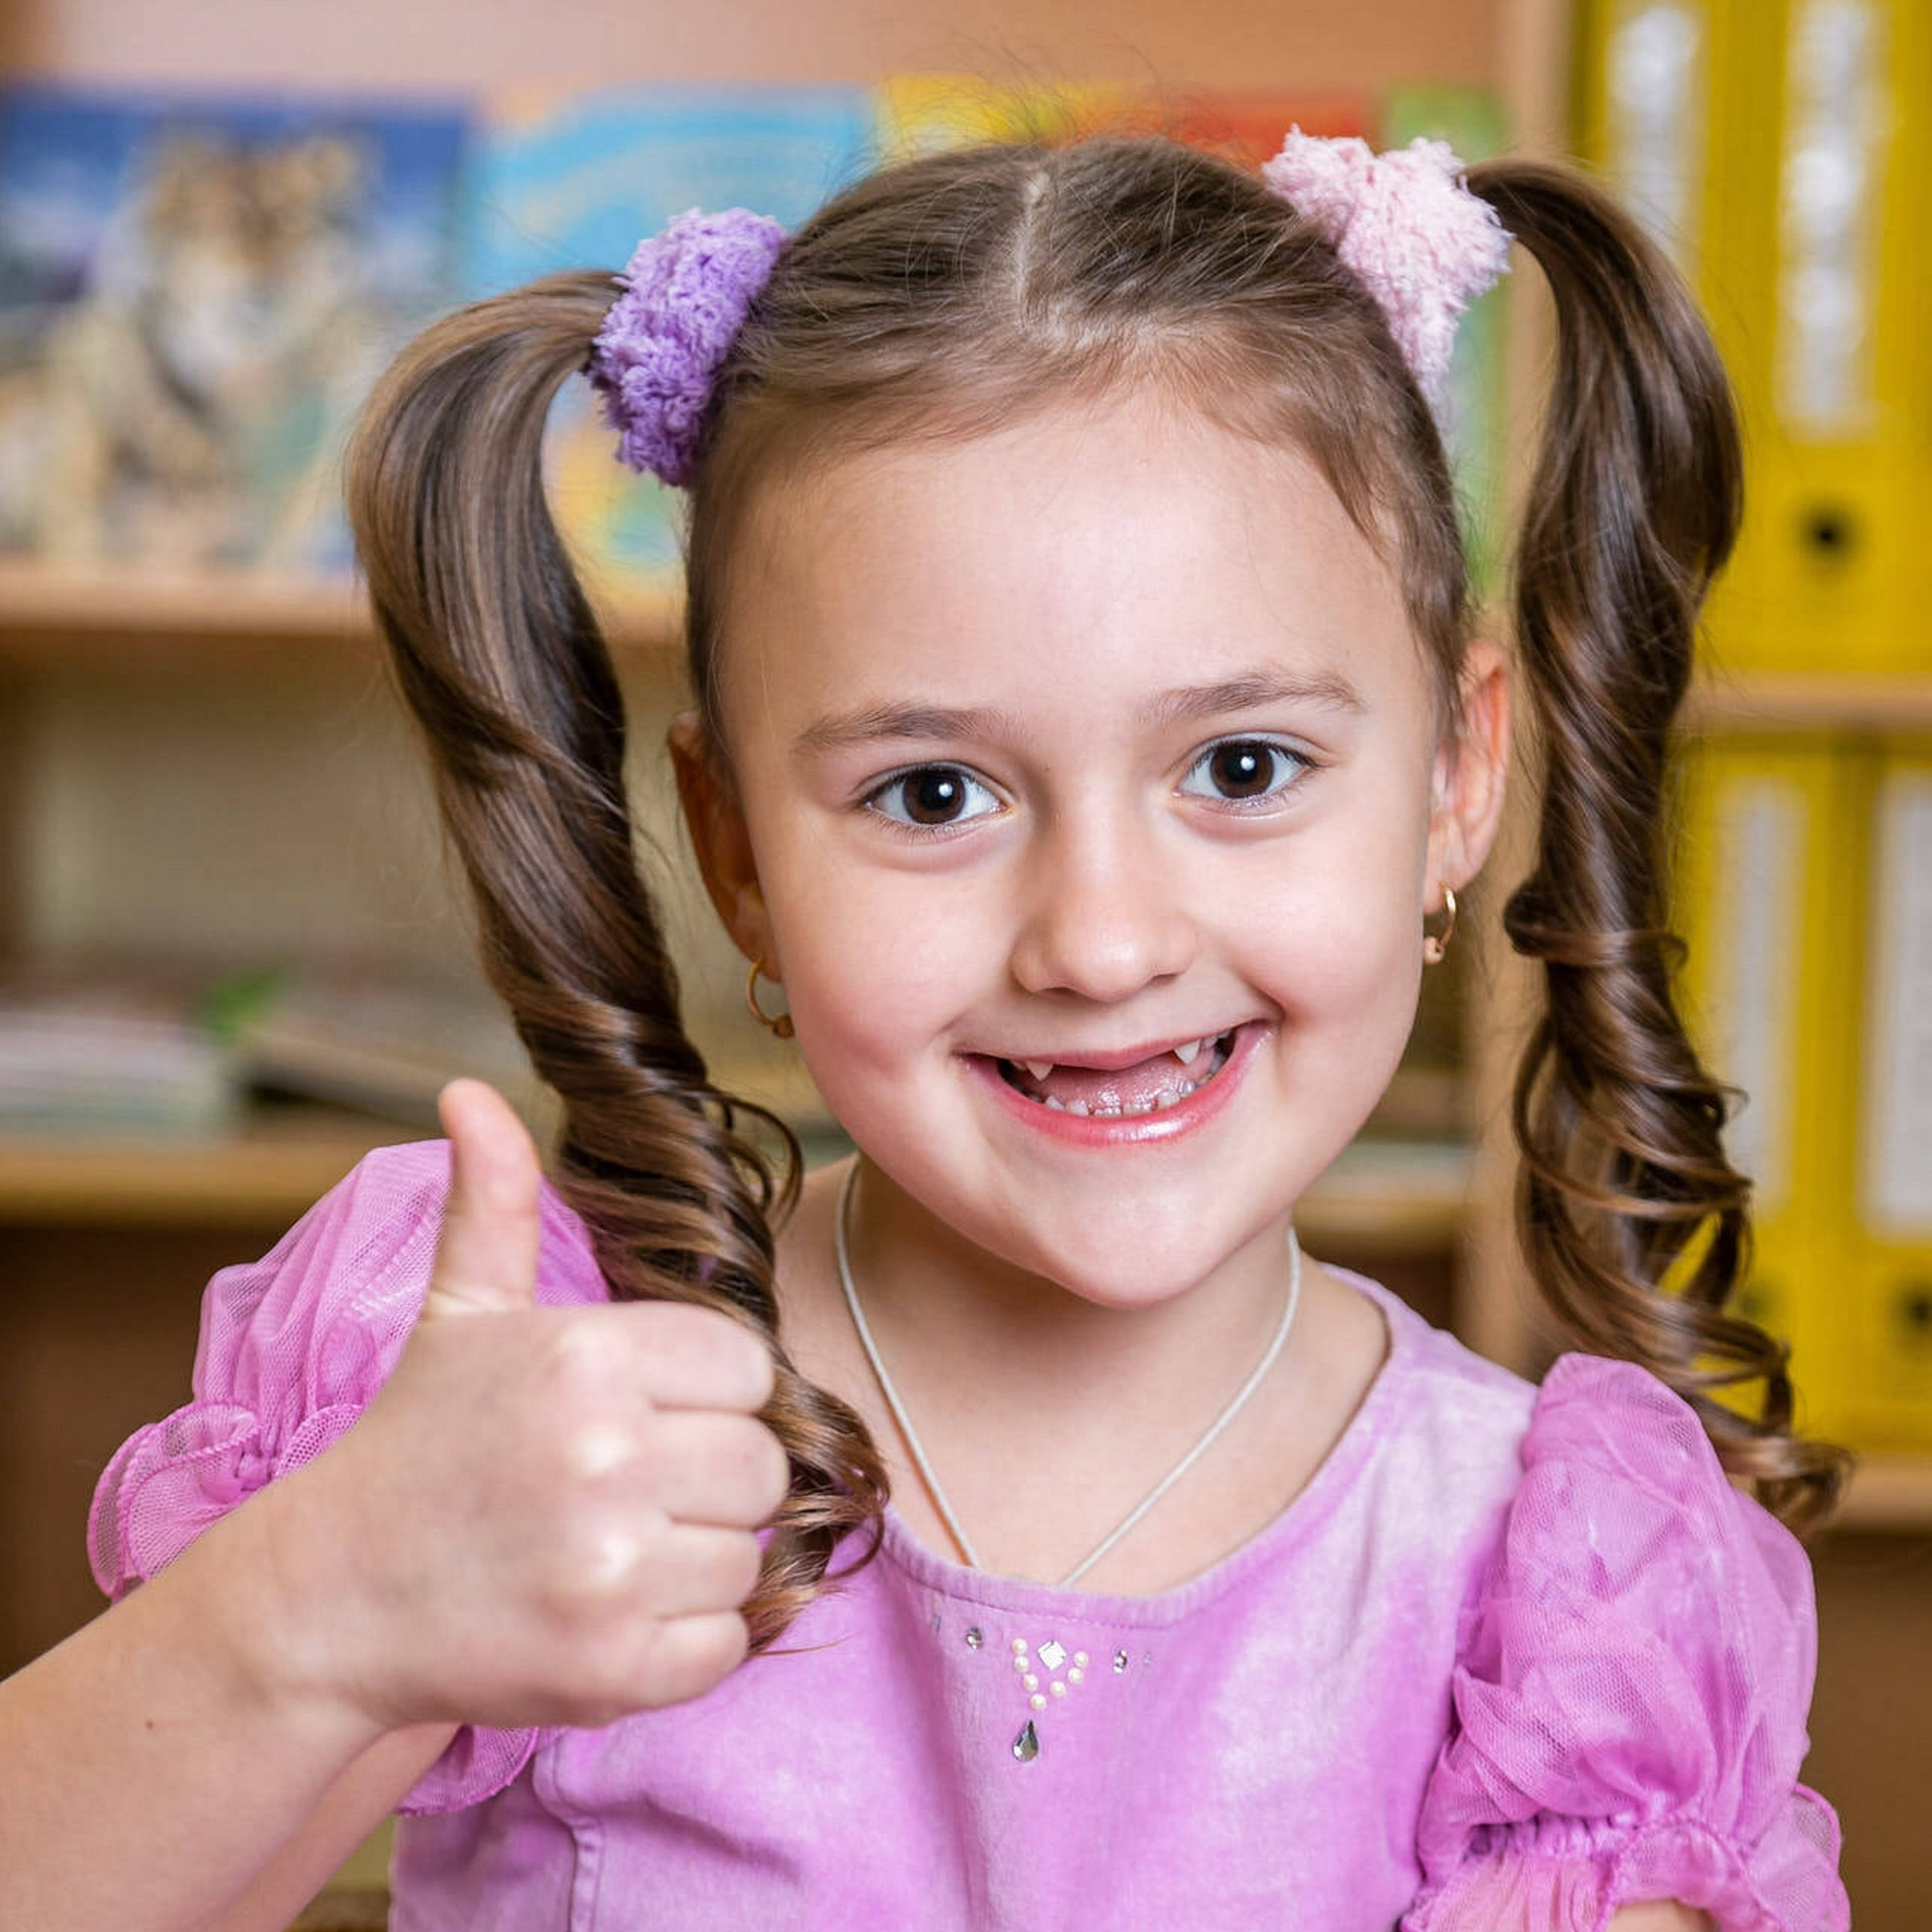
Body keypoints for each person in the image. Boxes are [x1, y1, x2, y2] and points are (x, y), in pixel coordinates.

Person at [2, 125, 1853, 1932]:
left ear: (1454, 777)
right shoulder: (528, 1407)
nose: (1100, 941)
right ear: (736, 849)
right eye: (932, 794)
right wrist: (315, 1610)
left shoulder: (1552, 1594)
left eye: (1240, 765)